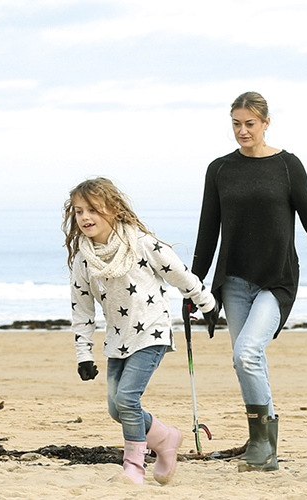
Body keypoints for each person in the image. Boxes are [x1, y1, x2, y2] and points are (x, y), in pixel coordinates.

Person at [191, 91, 307, 472]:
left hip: (276, 279)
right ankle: (265, 448)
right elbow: (206, 232)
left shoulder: (287, 166)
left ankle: (262, 444)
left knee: (246, 353)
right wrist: (193, 286)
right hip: (232, 280)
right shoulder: (219, 170)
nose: (242, 131)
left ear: (266, 123)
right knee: (248, 359)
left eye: (250, 123)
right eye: (236, 124)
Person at [65, 177, 218, 485]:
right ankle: (166, 438)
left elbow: (178, 273)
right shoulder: (84, 259)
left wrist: (206, 303)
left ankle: (134, 467)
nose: (85, 217)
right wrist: (84, 354)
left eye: (93, 209)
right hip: (117, 340)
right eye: (79, 211)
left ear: (114, 209)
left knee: (127, 399)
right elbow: (82, 310)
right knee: (115, 407)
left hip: (152, 331)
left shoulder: (140, 243)